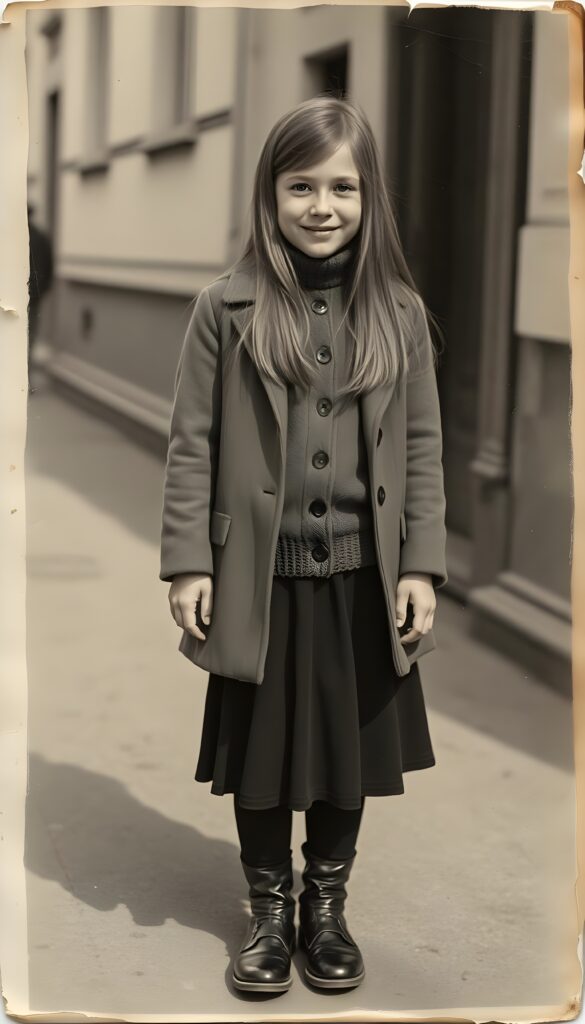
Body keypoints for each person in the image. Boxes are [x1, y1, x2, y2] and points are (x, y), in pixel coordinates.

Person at [159, 96, 448, 996]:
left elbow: (423, 447)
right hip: (260, 582)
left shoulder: (397, 314)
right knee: (261, 758)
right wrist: (188, 561)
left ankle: (326, 909)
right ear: (269, 194)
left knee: (341, 758)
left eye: (342, 187)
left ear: (369, 199)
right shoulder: (226, 307)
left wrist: (422, 566)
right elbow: (192, 442)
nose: (321, 205)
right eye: (301, 186)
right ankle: (268, 910)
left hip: (363, 583)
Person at [27, 203, 54, 391]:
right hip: (34, 298)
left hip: (13, 299)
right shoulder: (41, 238)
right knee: (30, 339)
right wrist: (41, 292)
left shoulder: (10, 236)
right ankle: (25, 381)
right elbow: (50, 269)